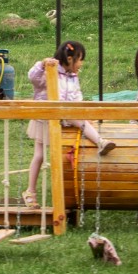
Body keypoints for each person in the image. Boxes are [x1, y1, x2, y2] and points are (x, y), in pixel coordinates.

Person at [22, 41, 115, 206]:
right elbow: (33, 77)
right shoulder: (49, 71)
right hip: (45, 118)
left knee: (78, 122)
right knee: (40, 155)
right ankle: (30, 191)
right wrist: (43, 64)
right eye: (80, 59)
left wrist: (81, 110)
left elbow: (76, 95)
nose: (81, 64)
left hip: (65, 116)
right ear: (70, 59)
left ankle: (101, 142)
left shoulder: (73, 76)